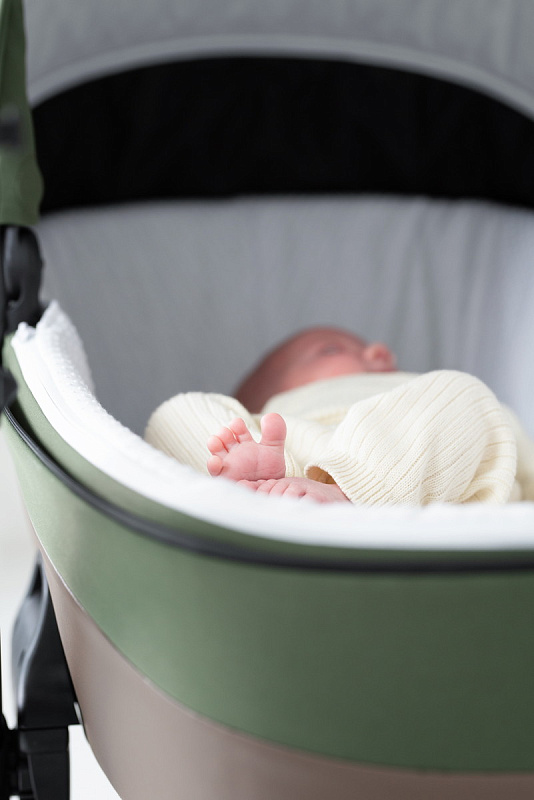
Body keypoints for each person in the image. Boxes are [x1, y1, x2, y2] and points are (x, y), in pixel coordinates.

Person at [145, 327, 534, 505]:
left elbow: (517, 457)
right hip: (286, 454)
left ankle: (346, 493)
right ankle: (246, 488)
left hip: (411, 481)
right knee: (174, 412)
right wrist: (249, 450)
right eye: (330, 350)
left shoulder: (416, 391)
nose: (378, 351)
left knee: (458, 392)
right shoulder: (269, 419)